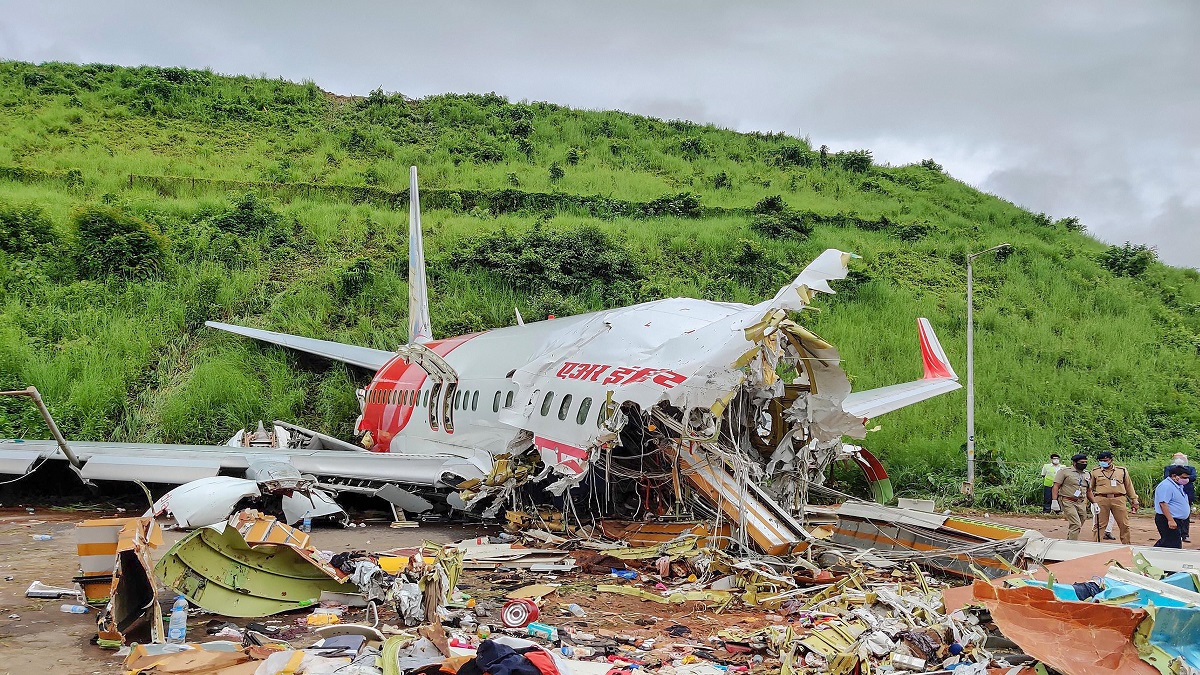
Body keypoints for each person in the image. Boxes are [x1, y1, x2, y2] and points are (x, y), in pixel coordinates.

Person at [1090, 450, 1139, 544]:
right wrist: (1089, 501)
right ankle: (1096, 544)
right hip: (1101, 499)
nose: (1103, 462)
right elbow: (1090, 488)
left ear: (1111, 460)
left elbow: (1129, 486)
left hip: (1118, 498)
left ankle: (1126, 545)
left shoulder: (1122, 471)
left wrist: (1134, 499)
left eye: (1105, 460)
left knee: (1124, 524)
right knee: (1099, 524)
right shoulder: (1095, 472)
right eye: (1101, 460)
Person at [1051, 453, 1095, 541]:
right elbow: (1056, 486)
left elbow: (1089, 490)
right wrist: (1054, 501)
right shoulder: (1064, 471)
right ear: (1075, 463)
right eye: (1082, 462)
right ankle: (1072, 544)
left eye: (1086, 462)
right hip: (1068, 501)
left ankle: (1069, 539)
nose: (1084, 464)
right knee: (1076, 524)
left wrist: (1094, 503)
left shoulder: (1087, 473)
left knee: (1081, 520)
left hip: (1081, 502)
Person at [1154, 465, 1191, 548]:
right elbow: (1163, 504)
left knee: (1170, 542)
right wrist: (1170, 520)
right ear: (1174, 476)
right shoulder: (1166, 486)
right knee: (1171, 543)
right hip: (1167, 519)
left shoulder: (1177, 485)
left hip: (1176, 520)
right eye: (1183, 477)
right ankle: (1149, 555)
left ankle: (1151, 555)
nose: (1186, 480)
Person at [1164, 453, 1196, 543]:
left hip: (1187, 493)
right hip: (1173, 495)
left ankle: (1185, 534)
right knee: (1173, 514)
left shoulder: (1190, 468)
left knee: (1186, 514)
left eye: (1181, 457)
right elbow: (1166, 477)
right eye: (1177, 457)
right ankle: (1175, 534)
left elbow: (1194, 477)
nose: (1179, 459)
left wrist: (1183, 478)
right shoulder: (1169, 468)